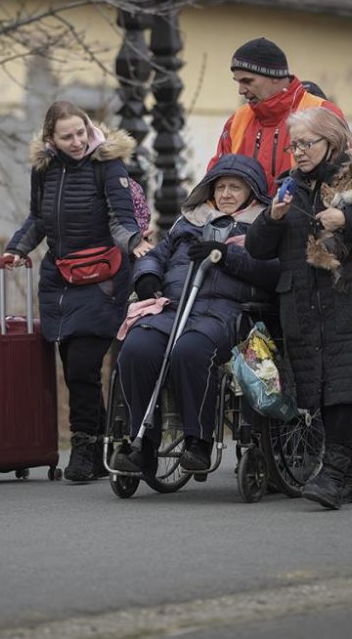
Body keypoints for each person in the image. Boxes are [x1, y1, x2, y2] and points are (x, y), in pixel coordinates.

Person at [246, 106, 352, 510]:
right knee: (321, 389)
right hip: (304, 303)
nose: (298, 151)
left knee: (340, 389)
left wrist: (345, 219)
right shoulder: (287, 187)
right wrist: (273, 218)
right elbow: (256, 248)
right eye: (294, 145)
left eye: (306, 143)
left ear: (330, 142)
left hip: (350, 302)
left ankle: (333, 474)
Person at [2, 101, 148, 482]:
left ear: (88, 128)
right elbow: (38, 218)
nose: (77, 141)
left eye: (81, 132)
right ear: (51, 139)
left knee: (83, 364)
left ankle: (84, 447)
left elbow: (121, 220)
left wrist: (135, 243)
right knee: (74, 368)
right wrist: (17, 249)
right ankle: (99, 448)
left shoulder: (108, 165)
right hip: (61, 279)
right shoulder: (44, 169)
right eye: (67, 136)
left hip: (103, 278)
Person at [112, 154, 279, 474]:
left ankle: (197, 441)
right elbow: (156, 255)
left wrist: (226, 255)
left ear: (252, 192)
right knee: (137, 349)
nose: (226, 194)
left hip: (227, 312)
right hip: (174, 307)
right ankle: (142, 443)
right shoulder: (189, 222)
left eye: (236, 187)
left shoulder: (264, 226)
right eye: (220, 187)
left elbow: (273, 271)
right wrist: (147, 276)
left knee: (191, 350)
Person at [209, 37, 345, 194]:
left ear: (275, 76)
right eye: (238, 82)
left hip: (305, 210)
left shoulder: (323, 111)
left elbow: (346, 179)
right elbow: (214, 182)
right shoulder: (237, 120)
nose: (241, 90)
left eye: (247, 81)